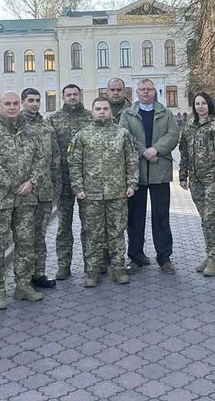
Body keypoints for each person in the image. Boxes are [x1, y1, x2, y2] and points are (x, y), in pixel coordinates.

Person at [0, 91, 47, 309]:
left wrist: (32, 182)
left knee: (26, 243)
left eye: (14, 104)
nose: (11, 107)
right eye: (7, 104)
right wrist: (12, 185)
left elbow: (41, 159)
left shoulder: (30, 130)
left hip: (26, 198)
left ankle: (23, 286)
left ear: (20, 105)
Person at [68, 97, 139, 287]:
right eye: (98, 109)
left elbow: (132, 160)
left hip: (117, 193)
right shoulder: (82, 135)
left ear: (110, 111)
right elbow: (74, 163)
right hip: (91, 195)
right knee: (92, 234)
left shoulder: (122, 134)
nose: (102, 112)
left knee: (117, 232)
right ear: (92, 112)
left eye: (105, 109)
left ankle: (118, 268)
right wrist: (78, 187)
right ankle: (92, 271)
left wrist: (131, 184)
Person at [120, 78, 181, 273]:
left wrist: (156, 149)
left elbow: (173, 134)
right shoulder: (128, 114)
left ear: (154, 92)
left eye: (149, 89)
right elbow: (125, 135)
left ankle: (164, 257)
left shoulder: (165, 113)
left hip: (159, 171)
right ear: (136, 92)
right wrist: (143, 151)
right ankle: (136, 257)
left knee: (161, 216)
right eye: (142, 89)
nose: (145, 92)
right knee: (135, 217)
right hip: (136, 173)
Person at [179, 92, 215, 277]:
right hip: (195, 180)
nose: (200, 106)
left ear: (209, 105)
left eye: (203, 103)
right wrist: (183, 176)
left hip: (211, 180)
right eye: (197, 104)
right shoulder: (189, 126)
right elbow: (183, 152)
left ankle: (214, 259)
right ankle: (209, 256)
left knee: (209, 219)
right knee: (204, 219)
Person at [47, 84, 93, 280]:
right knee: (64, 226)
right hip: (64, 181)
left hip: (87, 181)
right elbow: (49, 151)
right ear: (62, 97)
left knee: (89, 226)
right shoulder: (53, 119)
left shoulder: (90, 117)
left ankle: (91, 264)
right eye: (69, 95)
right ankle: (63, 265)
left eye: (75, 94)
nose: (72, 97)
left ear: (80, 95)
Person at [19, 88, 61, 289]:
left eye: (37, 100)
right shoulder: (16, 124)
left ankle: (39, 273)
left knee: (40, 235)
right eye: (31, 100)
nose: (35, 104)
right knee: (23, 236)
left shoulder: (46, 126)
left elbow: (55, 156)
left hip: (44, 190)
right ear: (23, 102)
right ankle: (23, 277)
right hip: (24, 191)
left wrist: (56, 185)